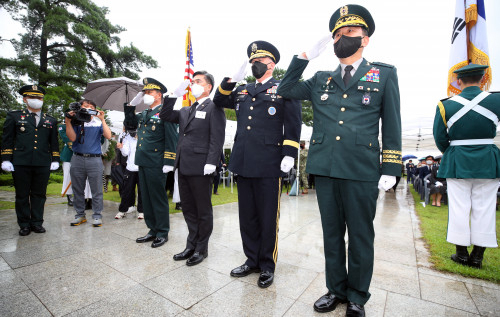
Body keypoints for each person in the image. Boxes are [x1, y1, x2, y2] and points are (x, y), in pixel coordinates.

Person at [277, 4, 401, 316]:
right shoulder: (321, 79)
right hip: (326, 166)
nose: (342, 38)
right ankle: (336, 289)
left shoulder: (383, 74)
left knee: (360, 235)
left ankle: (357, 296)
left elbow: (393, 122)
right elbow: (286, 88)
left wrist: (391, 166)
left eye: (349, 32)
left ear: (365, 38)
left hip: (361, 168)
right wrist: (304, 56)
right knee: (332, 234)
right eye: (337, 34)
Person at [213, 41, 301, 288]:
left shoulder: (284, 88)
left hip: (270, 163)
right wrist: (232, 79)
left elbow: (294, 124)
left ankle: (267, 264)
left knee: (267, 216)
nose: (255, 65)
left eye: (258, 61)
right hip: (243, 161)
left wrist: (289, 154)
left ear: (271, 63)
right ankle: (251, 260)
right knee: (247, 216)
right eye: (252, 62)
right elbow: (218, 99)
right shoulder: (242, 90)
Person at [433, 63, 499, 269]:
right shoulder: (497, 100)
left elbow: (439, 137)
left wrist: (452, 152)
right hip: (488, 159)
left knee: (459, 207)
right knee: (486, 207)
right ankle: (477, 257)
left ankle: (461, 254)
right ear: (483, 78)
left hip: (458, 159)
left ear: (458, 81)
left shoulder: (445, 105)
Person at [160, 71, 226, 266]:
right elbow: (165, 115)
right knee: (188, 208)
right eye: (192, 81)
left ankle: (201, 249)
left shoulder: (215, 107)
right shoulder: (186, 109)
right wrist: (173, 95)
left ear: (208, 87)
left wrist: (212, 162)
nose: (193, 84)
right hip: (184, 164)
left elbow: (217, 137)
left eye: (198, 81)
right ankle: (191, 245)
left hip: (202, 166)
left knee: (202, 210)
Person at [125, 78, 178, 248]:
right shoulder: (145, 113)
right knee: (146, 197)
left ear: (159, 95)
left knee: (158, 197)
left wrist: (169, 161)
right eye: (144, 92)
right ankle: (152, 229)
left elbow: (172, 138)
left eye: (149, 92)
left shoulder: (165, 112)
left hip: (157, 162)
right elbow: (130, 124)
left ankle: (162, 232)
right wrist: (131, 107)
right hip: (143, 161)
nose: (146, 95)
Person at [1, 84, 60, 236]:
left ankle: (37, 222)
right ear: (25, 99)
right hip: (20, 162)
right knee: (22, 194)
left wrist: (55, 159)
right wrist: (6, 159)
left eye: (39, 97)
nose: (36, 100)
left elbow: (53, 142)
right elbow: (7, 139)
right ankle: (24, 224)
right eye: (33, 97)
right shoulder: (14, 116)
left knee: (39, 194)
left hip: (42, 162)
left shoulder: (51, 120)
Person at [66, 99, 111, 227]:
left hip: (95, 159)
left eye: (92, 107)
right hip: (77, 158)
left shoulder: (97, 122)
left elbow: (108, 135)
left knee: (96, 189)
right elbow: (72, 138)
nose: (89, 108)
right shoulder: (76, 121)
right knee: (77, 189)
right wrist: (68, 121)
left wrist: (102, 119)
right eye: (86, 106)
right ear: (80, 108)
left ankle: (97, 215)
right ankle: (80, 215)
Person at [115, 123, 143, 219]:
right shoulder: (126, 137)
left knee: (142, 191)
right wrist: (121, 146)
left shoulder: (144, 135)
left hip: (142, 167)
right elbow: (126, 153)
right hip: (130, 167)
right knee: (127, 190)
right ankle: (123, 210)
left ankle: (141, 211)